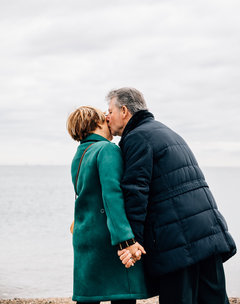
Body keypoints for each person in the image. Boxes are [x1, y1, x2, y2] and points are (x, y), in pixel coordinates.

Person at [106, 88, 237, 304]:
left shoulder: (137, 137)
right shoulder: (166, 131)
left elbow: (136, 192)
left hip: (177, 242)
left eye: (109, 110)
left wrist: (131, 242)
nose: (107, 117)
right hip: (208, 232)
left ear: (124, 110)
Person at [67, 106, 153, 304]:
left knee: (89, 298)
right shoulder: (107, 149)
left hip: (84, 236)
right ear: (98, 123)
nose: (109, 123)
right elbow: (112, 194)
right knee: (122, 295)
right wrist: (126, 239)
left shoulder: (79, 154)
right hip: (108, 238)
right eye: (105, 120)